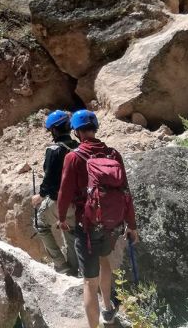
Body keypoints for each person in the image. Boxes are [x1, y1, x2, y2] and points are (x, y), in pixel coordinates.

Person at [57, 110, 139, 327]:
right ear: (96, 128)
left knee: (88, 282)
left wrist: (62, 218)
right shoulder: (113, 154)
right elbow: (126, 192)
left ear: (75, 131)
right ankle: (108, 308)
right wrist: (132, 226)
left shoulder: (73, 157)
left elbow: (64, 193)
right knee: (104, 261)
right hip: (112, 225)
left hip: (88, 225)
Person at [31, 109, 79, 275]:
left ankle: (61, 264)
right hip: (78, 201)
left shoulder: (54, 149)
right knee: (72, 233)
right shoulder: (79, 147)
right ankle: (74, 270)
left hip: (59, 201)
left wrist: (41, 195)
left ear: (54, 130)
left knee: (39, 223)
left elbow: (50, 179)